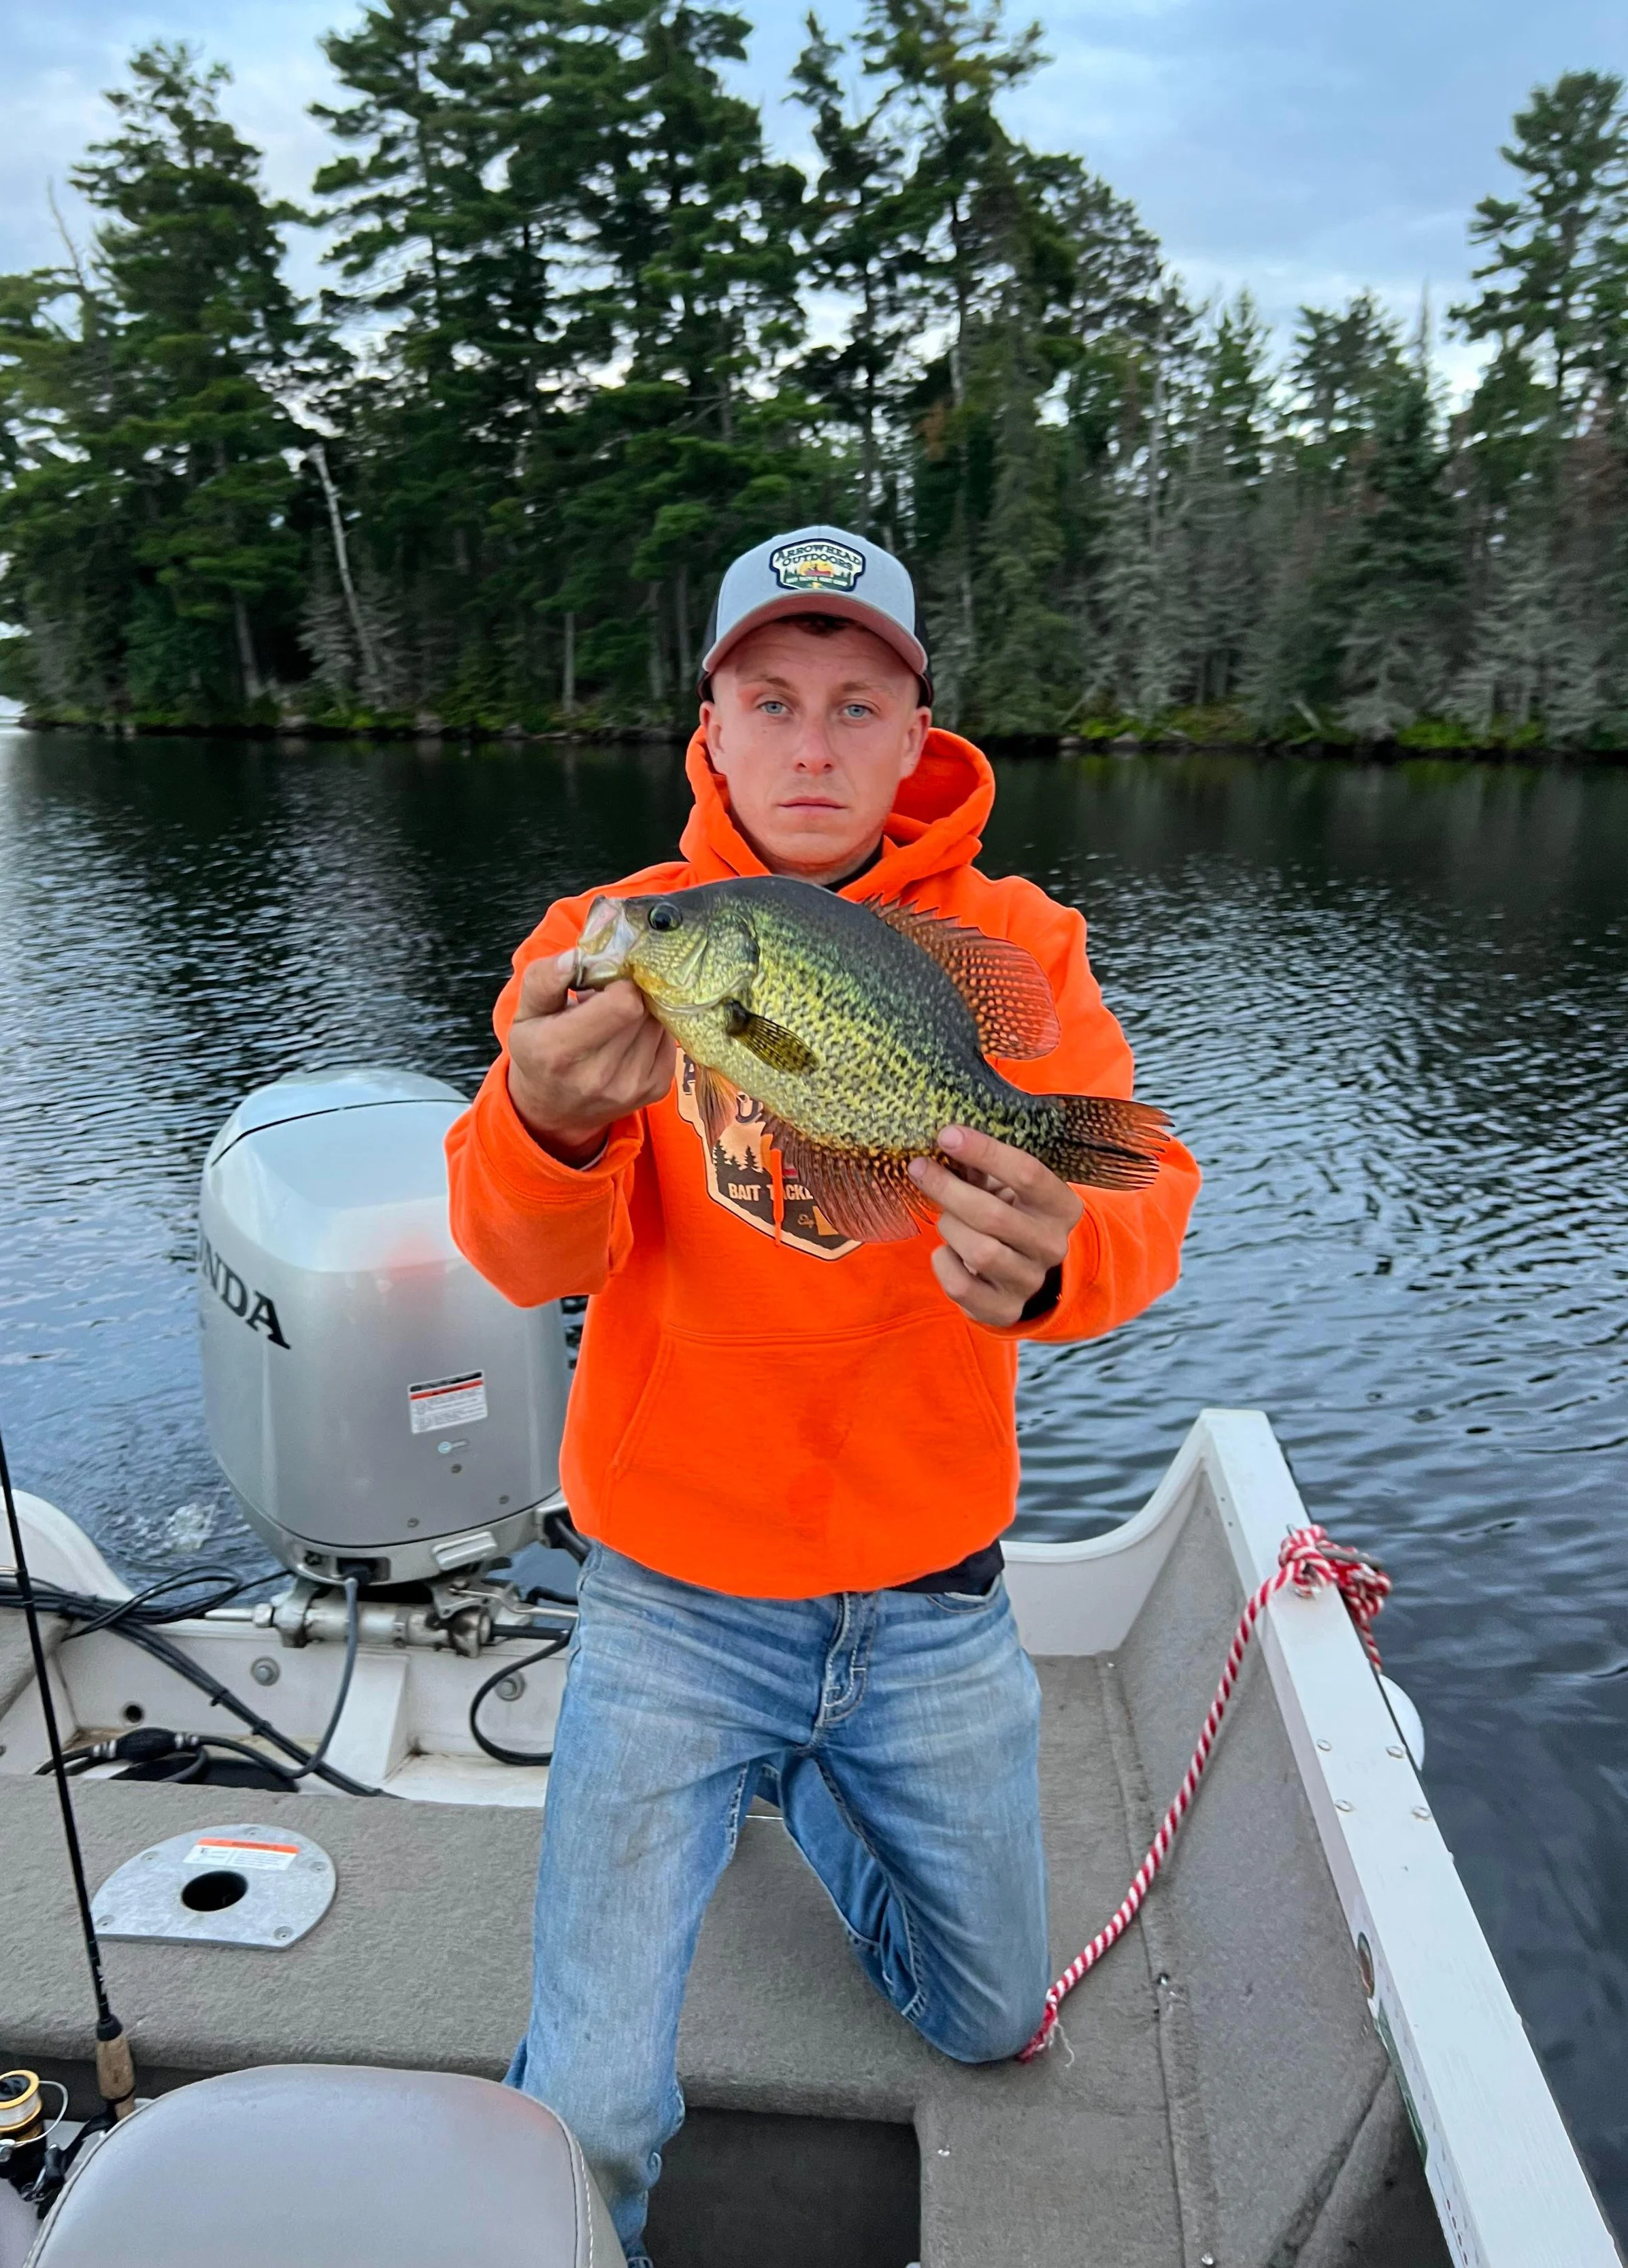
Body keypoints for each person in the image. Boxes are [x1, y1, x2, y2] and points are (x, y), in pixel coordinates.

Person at [446, 525, 1200, 2266]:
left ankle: (807, 1790)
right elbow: (516, 1250)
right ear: (705, 727)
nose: (807, 745)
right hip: (669, 1605)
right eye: (767, 699)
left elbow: (1137, 1180)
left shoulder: (1015, 941)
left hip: (928, 1603)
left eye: (854, 705)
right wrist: (551, 1118)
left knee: (991, 2017)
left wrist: (1054, 1259)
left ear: (917, 731)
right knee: (599, 2108)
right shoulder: (605, 942)